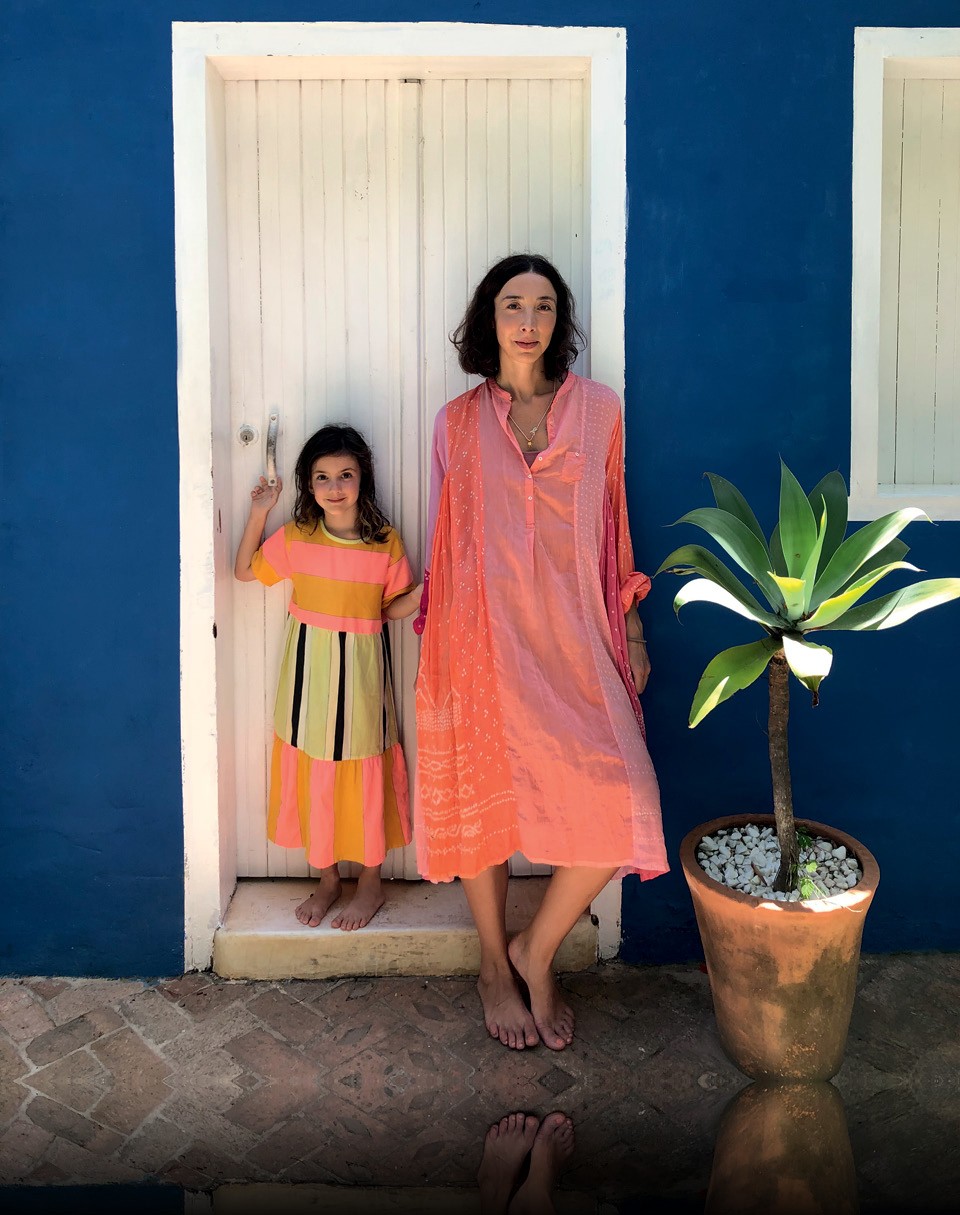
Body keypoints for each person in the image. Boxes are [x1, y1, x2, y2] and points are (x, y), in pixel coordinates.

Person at [414, 254, 668, 1050]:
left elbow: (614, 528)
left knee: (626, 795)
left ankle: (536, 949)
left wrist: (631, 627)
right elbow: (449, 542)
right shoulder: (456, 422)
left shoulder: (598, 411)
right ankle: (495, 964)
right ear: (488, 319)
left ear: (560, 322)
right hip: (480, 643)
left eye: (544, 306)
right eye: (513, 305)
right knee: (480, 808)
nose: (528, 321)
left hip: (575, 640)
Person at [235, 424, 422, 931]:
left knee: (364, 771)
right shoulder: (298, 535)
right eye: (322, 477)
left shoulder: (384, 542)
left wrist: (425, 593)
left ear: (363, 478)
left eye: (345, 474)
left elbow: (391, 607)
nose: (334, 487)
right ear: (308, 484)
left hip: (362, 681)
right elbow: (245, 571)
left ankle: (371, 883)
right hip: (308, 681)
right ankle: (328, 880)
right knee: (316, 772)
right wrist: (260, 511)